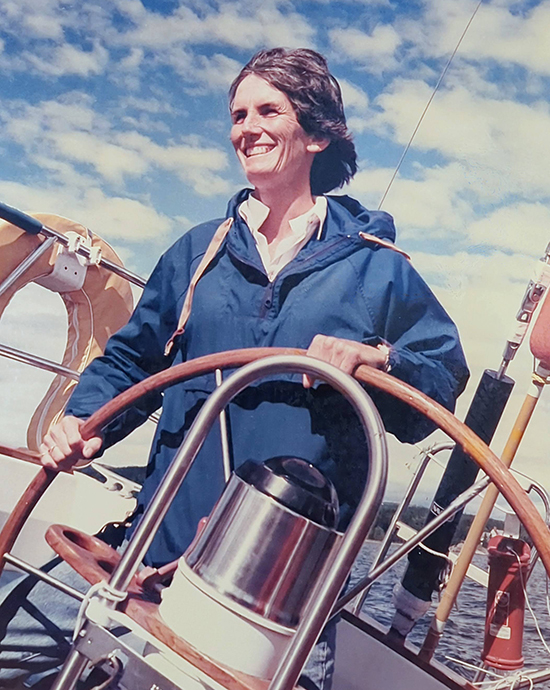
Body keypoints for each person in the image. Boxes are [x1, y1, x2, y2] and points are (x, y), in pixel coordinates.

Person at [1, 48, 469, 690]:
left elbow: (440, 378)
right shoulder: (198, 251)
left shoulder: (377, 269)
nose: (246, 128)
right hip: (157, 544)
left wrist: (379, 358)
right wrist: (84, 420)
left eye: (268, 111)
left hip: (287, 593)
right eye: (238, 114)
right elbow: (135, 358)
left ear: (317, 134)